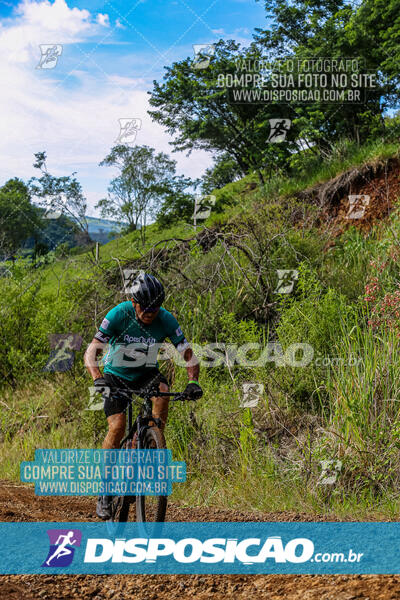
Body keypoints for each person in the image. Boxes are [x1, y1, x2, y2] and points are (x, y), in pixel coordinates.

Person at [84, 272, 202, 519]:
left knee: (163, 390)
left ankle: (153, 441)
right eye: (145, 309)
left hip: (147, 373)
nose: (150, 314)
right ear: (134, 302)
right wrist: (97, 377)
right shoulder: (119, 313)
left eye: (155, 309)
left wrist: (193, 381)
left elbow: (188, 353)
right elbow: (92, 351)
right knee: (117, 427)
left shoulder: (166, 319)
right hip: (116, 374)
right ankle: (105, 491)